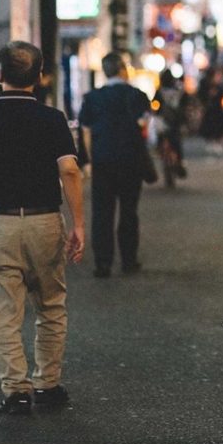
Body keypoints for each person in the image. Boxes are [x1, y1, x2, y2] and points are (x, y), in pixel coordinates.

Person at [0, 41, 84, 414]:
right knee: (50, 305)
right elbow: (70, 170)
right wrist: (77, 223)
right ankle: (48, 384)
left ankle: (16, 391)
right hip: (45, 220)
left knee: (3, 311)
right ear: (39, 76)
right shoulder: (53, 119)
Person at [78, 52, 151, 279]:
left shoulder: (92, 98)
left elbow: (86, 130)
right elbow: (144, 124)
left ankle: (103, 262)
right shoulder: (137, 96)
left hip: (102, 161)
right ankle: (129, 260)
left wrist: (88, 160)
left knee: (102, 213)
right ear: (122, 69)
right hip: (130, 159)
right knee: (129, 211)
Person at [154, 69, 187, 179]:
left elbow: (155, 105)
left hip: (163, 121)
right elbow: (185, 104)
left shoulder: (160, 91)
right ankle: (179, 162)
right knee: (177, 143)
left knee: (161, 140)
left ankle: (164, 157)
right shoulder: (178, 91)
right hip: (176, 122)